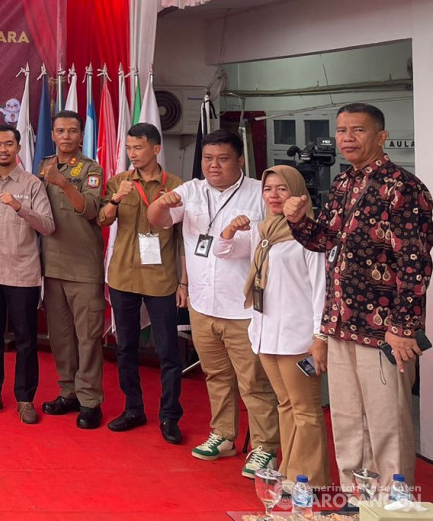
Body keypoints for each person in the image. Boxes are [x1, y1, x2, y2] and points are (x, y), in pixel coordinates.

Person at [284, 103, 433, 487]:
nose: (347, 138)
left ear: (381, 136)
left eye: (358, 130)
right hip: (340, 323)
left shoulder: (404, 188)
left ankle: (393, 506)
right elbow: (325, 241)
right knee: (349, 421)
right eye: (342, 130)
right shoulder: (343, 183)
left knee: (387, 426)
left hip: (383, 331)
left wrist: (402, 326)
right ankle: (355, 500)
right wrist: (298, 220)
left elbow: (415, 263)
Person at [148, 128, 280, 478]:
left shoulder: (258, 194)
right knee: (217, 375)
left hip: (243, 307)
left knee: (253, 381)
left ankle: (265, 448)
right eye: (208, 158)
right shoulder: (191, 190)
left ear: (240, 160)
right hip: (202, 303)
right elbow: (158, 221)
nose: (214, 165)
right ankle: (223, 435)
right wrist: (161, 204)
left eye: (223, 159)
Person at [218, 164, 329, 488]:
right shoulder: (262, 231)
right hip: (266, 334)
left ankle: (308, 479)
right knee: (285, 405)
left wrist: (319, 337)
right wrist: (227, 231)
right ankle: (290, 469)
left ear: (297, 192)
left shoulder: (309, 236)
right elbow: (222, 251)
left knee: (305, 410)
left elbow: (322, 289)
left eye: (282, 189)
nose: (274, 195)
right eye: (268, 189)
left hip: (298, 339)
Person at [98, 122, 185, 444]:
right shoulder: (120, 182)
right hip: (123, 276)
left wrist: (184, 283)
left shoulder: (176, 185)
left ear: (156, 149)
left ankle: (169, 416)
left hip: (161, 280)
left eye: (139, 148)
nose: (133, 154)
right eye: (130, 148)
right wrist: (116, 200)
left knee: (168, 352)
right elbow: (102, 220)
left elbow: (182, 238)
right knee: (125, 348)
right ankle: (133, 408)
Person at [0, 124, 53, 424]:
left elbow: (47, 225)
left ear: (18, 148)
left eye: (9, 144)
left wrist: (21, 208)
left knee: (26, 339)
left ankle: (25, 399)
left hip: (23, 275)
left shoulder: (33, 185)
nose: (3, 149)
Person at [37, 110, 106, 429]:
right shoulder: (44, 165)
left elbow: (90, 210)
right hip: (51, 266)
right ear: (52, 134)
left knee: (88, 337)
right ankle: (69, 392)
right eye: (60, 131)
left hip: (83, 268)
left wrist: (63, 183)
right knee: (61, 337)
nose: (66, 136)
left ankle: (90, 400)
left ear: (81, 136)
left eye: (72, 131)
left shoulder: (91, 169)